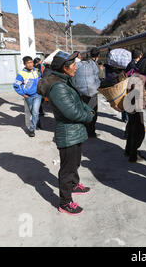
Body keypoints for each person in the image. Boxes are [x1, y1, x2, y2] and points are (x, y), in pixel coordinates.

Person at [37, 51, 95, 216]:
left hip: (74, 131)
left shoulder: (65, 81)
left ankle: (74, 185)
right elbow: (72, 112)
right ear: (64, 68)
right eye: (73, 65)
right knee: (67, 169)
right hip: (68, 133)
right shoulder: (58, 87)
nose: (76, 67)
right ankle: (65, 202)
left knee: (75, 163)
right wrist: (88, 116)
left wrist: (88, 110)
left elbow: (78, 102)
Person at [74, 48, 101, 138]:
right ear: (98, 56)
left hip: (81, 92)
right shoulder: (95, 65)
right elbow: (98, 78)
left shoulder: (79, 64)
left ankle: (83, 130)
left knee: (83, 111)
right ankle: (91, 132)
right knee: (92, 112)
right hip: (92, 93)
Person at [13, 56, 42, 137]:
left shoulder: (35, 70)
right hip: (28, 97)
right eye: (28, 63)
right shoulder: (21, 74)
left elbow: (40, 80)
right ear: (24, 64)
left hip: (37, 95)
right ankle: (37, 122)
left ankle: (31, 129)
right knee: (33, 112)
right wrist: (23, 94)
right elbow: (16, 85)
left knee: (35, 112)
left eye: (31, 62)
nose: (30, 64)